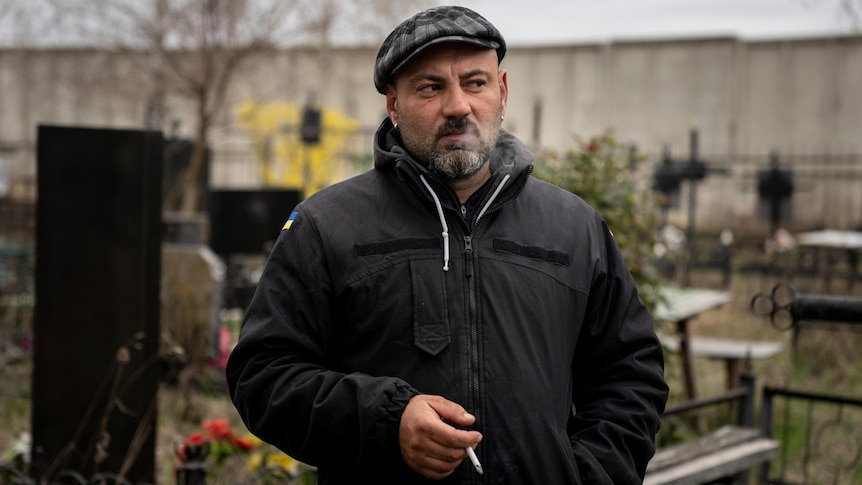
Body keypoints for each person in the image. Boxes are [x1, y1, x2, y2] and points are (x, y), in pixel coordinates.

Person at [226, 5, 668, 484]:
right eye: (430, 87)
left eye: (474, 83)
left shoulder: (575, 228)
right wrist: (386, 421)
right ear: (393, 106)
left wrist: (588, 474)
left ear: (501, 92)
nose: (458, 106)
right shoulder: (325, 225)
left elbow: (630, 375)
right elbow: (262, 374)